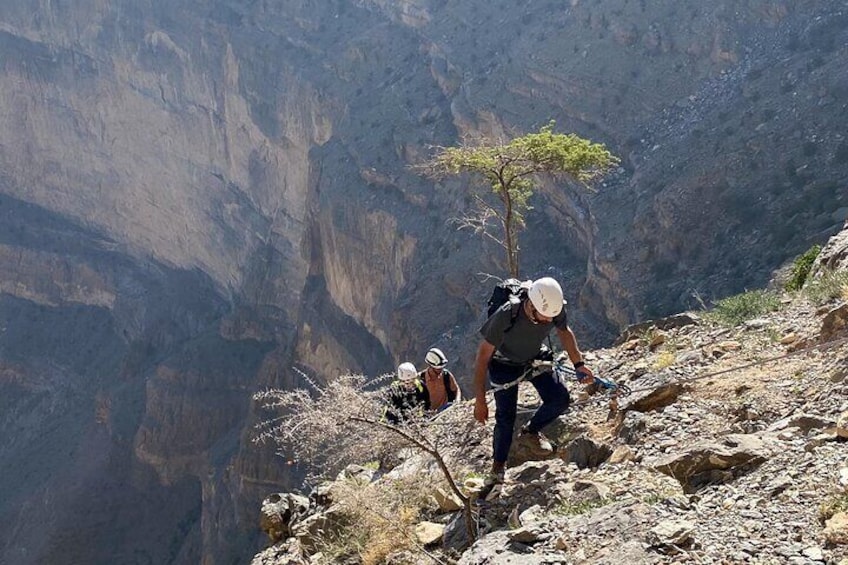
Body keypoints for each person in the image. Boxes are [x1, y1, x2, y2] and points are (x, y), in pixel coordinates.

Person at [472, 277, 594, 489]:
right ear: (531, 305)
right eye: (544, 318)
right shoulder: (508, 314)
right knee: (505, 417)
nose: (548, 321)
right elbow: (482, 357)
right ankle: (498, 468)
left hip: (533, 357)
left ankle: (530, 432)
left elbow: (564, 332)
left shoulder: (552, 308)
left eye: (551, 318)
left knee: (560, 398)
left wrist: (579, 364)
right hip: (504, 364)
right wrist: (480, 401)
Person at [419, 347, 461, 412]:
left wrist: (457, 401)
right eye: (437, 368)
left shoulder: (446, 375)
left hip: (445, 410)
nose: (440, 370)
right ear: (431, 366)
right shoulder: (421, 378)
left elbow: (456, 389)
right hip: (428, 414)